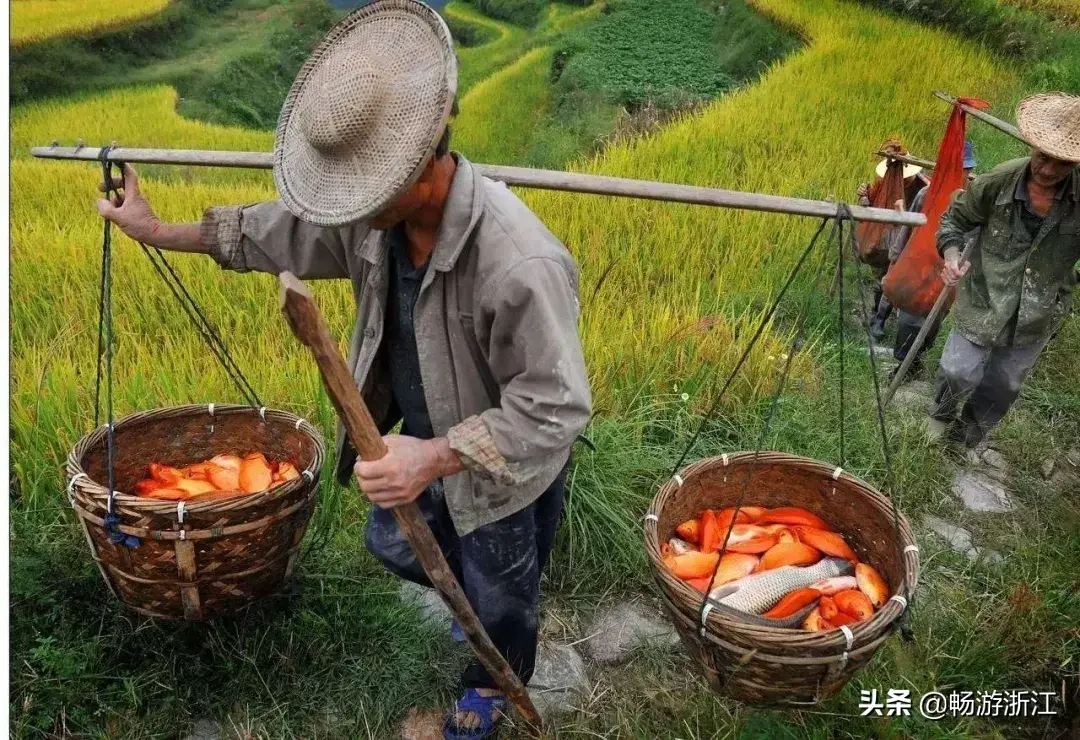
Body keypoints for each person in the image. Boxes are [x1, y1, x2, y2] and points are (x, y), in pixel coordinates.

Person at [95, 3, 592, 737]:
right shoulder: (376, 223)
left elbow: (556, 406)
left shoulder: (517, 263)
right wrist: (156, 229)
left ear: (425, 162)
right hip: (419, 440)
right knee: (391, 541)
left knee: (505, 589)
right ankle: (473, 609)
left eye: (362, 190)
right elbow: (281, 232)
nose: (346, 209)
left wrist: (438, 456)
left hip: (501, 463)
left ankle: (493, 685)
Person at [929, 92, 1079, 450]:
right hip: (984, 295)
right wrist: (950, 257)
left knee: (1004, 384)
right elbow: (953, 222)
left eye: (1061, 164)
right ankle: (941, 416)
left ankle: (966, 438)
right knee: (957, 371)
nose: (1047, 170)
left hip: (1040, 310)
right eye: (1043, 158)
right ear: (1033, 146)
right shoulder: (998, 182)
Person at [887, 141, 979, 380]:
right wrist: (895, 259)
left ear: (970, 171)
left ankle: (915, 359)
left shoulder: (975, 200)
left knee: (933, 320)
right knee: (910, 317)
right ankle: (904, 364)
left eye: (964, 169)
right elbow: (910, 230)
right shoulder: (926, 194)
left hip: (950, 271)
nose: (959, 174)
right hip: (920, 266)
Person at [858, 149, 931, 339]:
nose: (902, 181)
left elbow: (927, 217)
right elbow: (873, 208)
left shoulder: (924, 188)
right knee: (883, 277)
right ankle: (877, 316)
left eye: (905, 177)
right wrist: (864, 198)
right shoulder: (885, 183)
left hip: (913, 238)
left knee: (895, 279)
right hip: (888, 237)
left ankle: (882, 319)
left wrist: (903, 213)